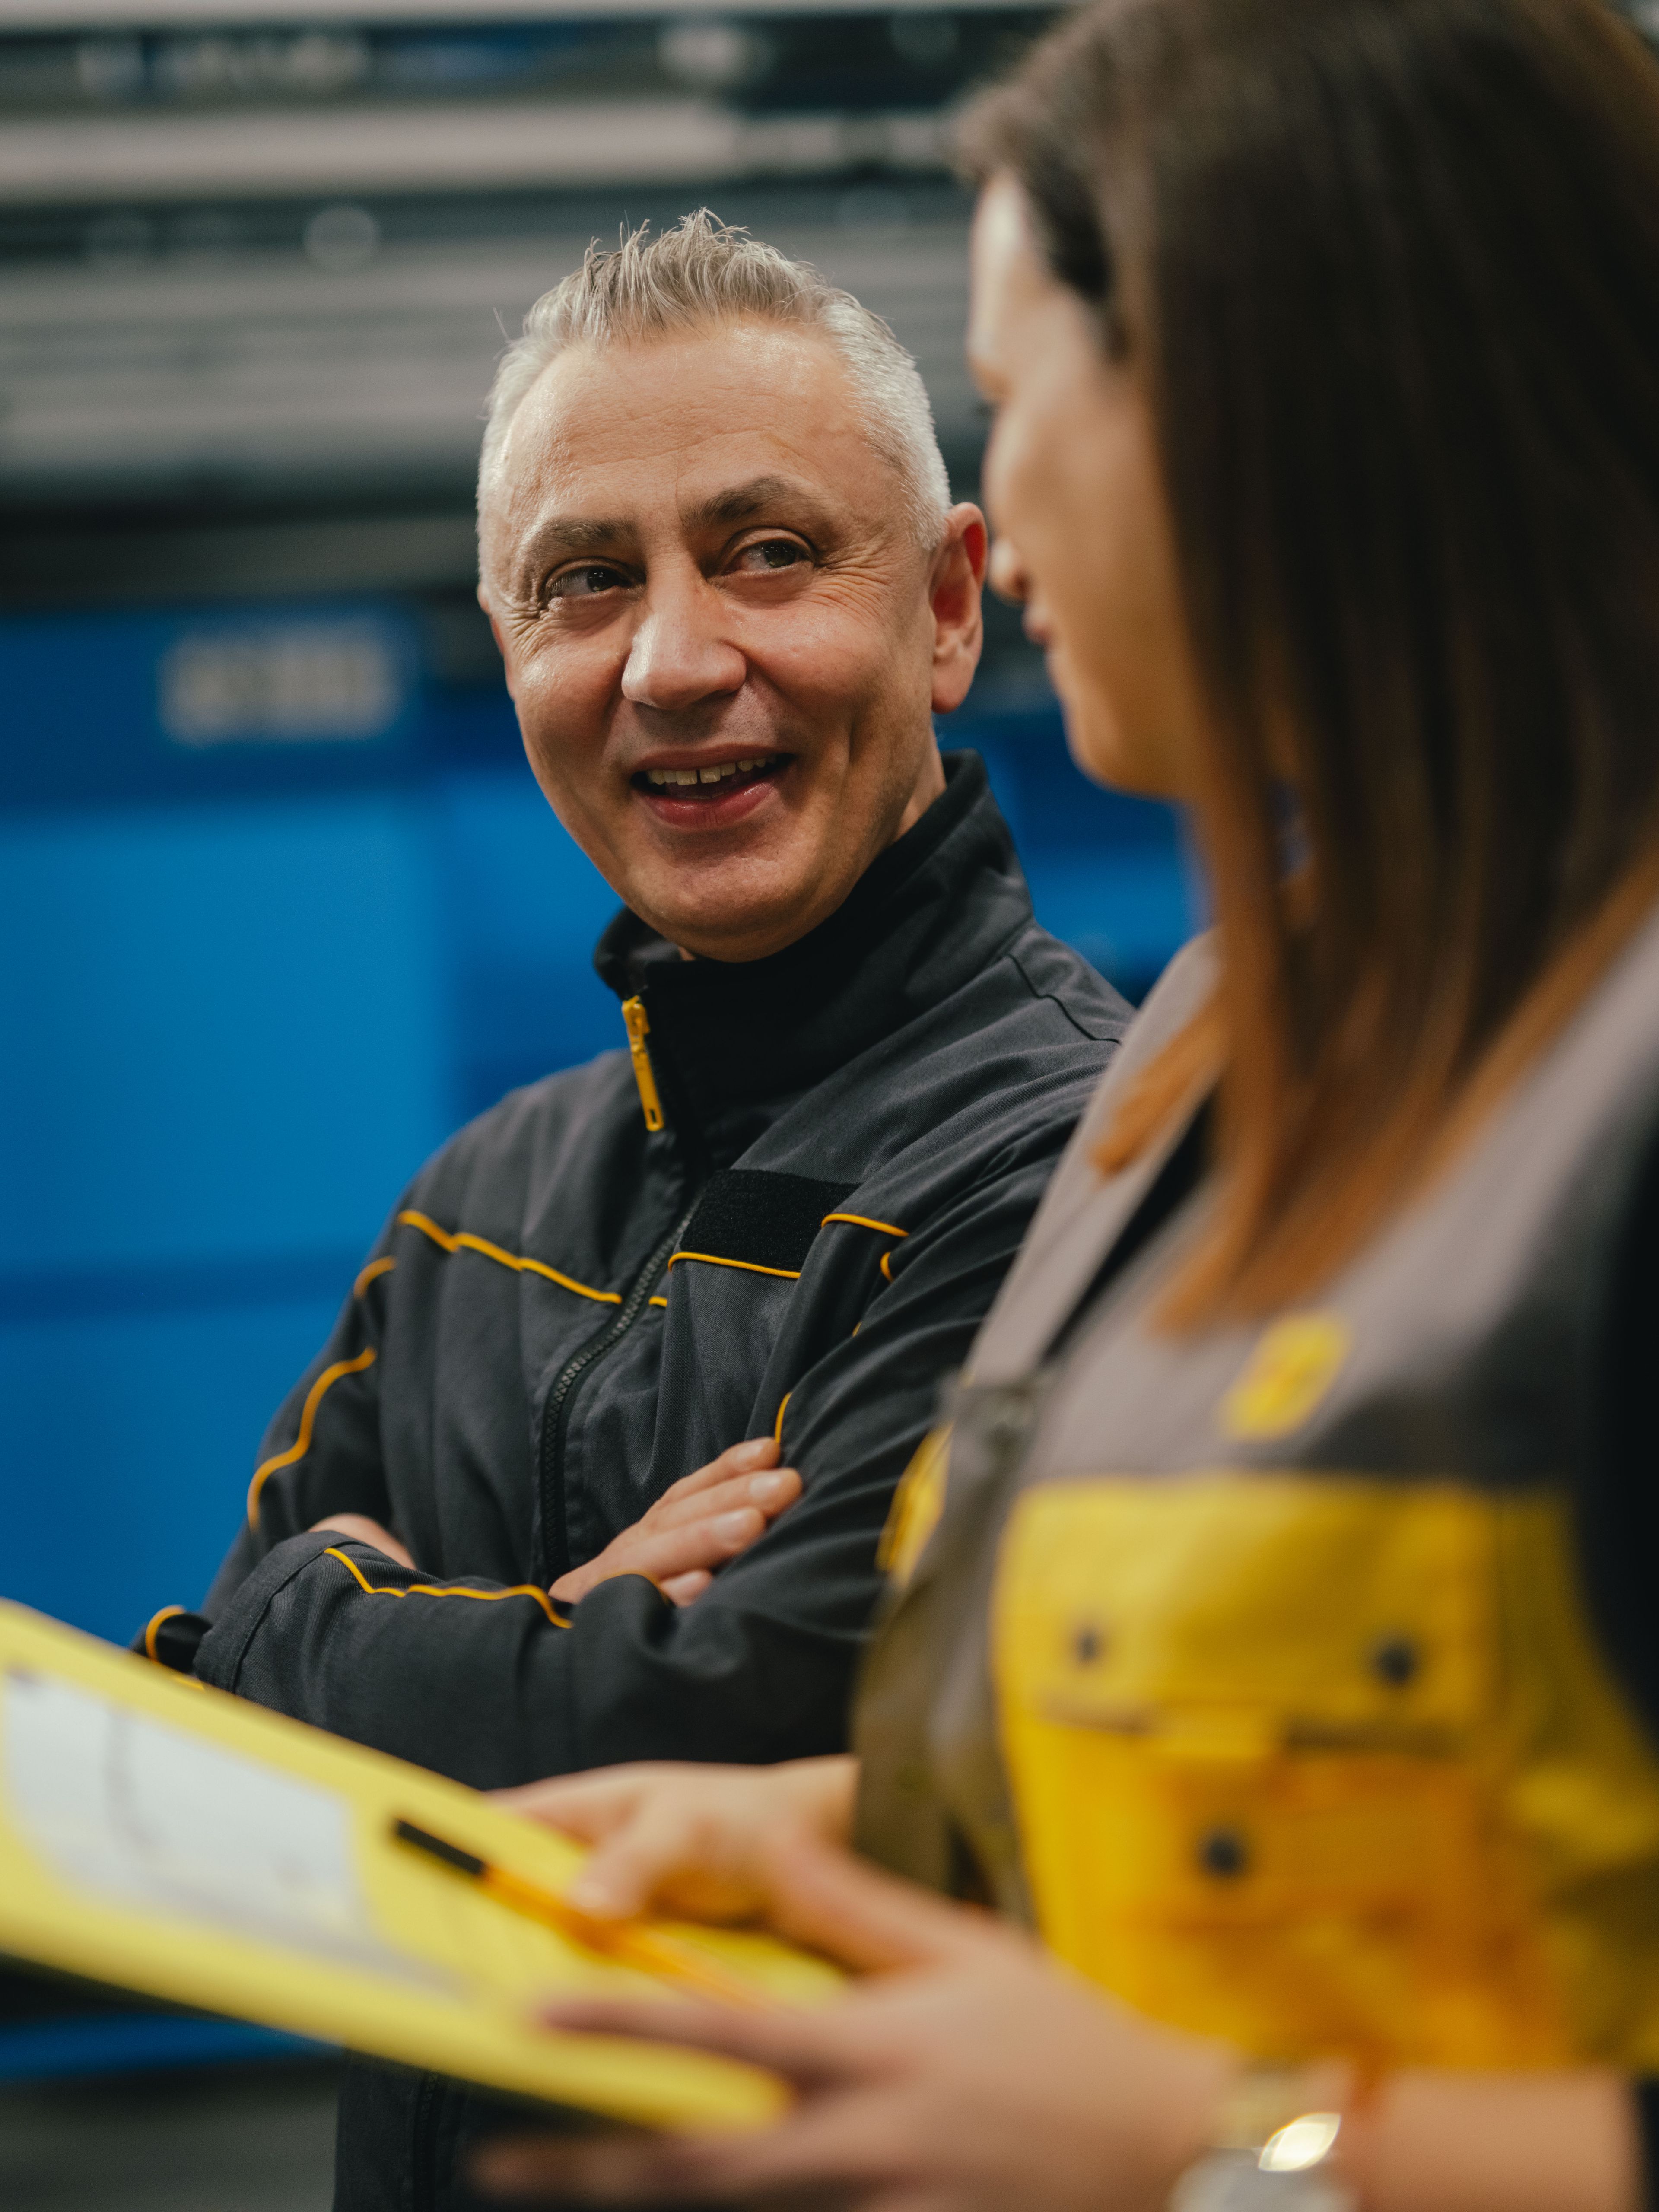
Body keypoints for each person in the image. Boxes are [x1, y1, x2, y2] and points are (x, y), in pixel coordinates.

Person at [471, 3, 1659, 2208]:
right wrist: (815, 1818)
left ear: (1283, 404)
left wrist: (1214, 2146)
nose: (995, 541)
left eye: (1027, 407)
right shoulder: (1220, 1038)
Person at [135, 214, 1128, 2209]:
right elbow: (183, 1760)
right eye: (586, 583)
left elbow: (775, 1723)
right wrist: (563, 1639)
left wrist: (322, 1630)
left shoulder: (1067, 1166)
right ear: (514, 653)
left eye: (765, 551)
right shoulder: (483, 1196)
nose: (675, 662)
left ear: (945, 612)